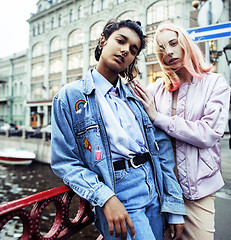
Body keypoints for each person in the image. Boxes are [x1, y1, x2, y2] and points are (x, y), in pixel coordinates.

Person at [51, 19, 186, 240]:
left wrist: (173, 205)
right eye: (120, 41)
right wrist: (104, 197)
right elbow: (64, 161)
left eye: (133, 50)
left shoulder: (136, 96)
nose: (125, 51)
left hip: (153, 188)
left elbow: (161, 151)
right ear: (103, 41)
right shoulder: (70, 97)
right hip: (119, 192)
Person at [128, 22, 230, 240]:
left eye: (174, 44)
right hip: (161, 192)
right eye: (162, 49)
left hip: (198, 193)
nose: (169, 53)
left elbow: (208, 133)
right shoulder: (155, 90)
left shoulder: (215, 83)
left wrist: (159, 118)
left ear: (186, 44)